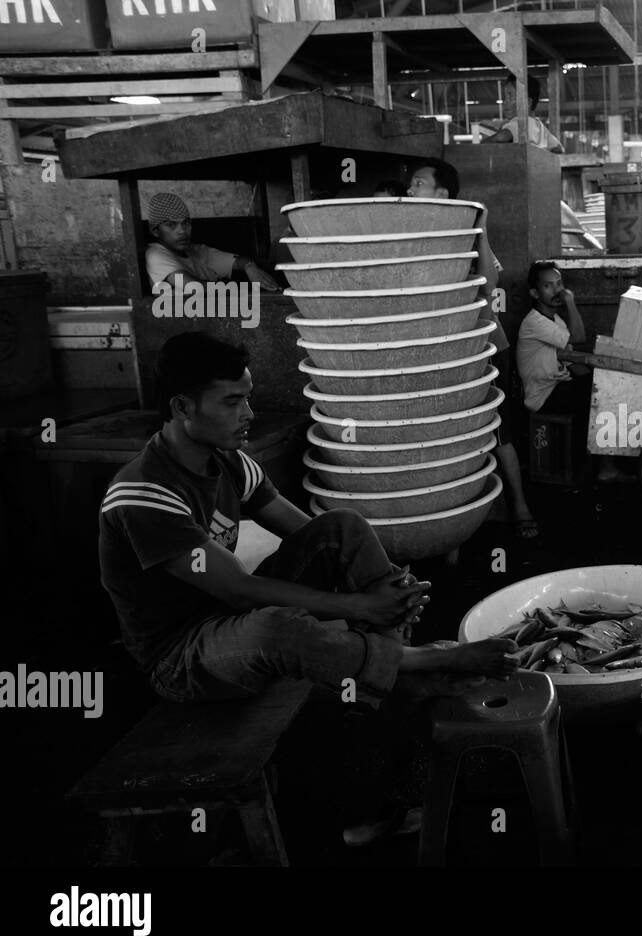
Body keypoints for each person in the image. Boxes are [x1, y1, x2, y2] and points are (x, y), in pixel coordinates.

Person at [99, 332, 519, 704]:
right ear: (182, 406)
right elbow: (241, 590)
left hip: (229, 618)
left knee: (344, 524)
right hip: (183, 656)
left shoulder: (229, 463)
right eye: (232, 401)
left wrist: (390, 587)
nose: (248, 413)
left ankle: (397, 666)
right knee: (274, 628)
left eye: (247, 397)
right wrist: (359, 604)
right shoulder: (144, 493)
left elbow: (316, 535)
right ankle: (419, 663)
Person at [407, 158, 541, 539]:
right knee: (450, 432)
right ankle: (459, 519)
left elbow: (489, 283)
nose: (410, 191)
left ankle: (519, 506)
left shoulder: (463, 232)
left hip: (482, 346)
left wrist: (480, 229)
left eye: (418, 184)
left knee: (498, 429)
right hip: (439, 351)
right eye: (411, 185)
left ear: (442, 195)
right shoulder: (408, 237)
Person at [516, 261, 621, 482]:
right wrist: (571, 302)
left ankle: (601, 463)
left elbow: (567, 356)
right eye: (548, 286)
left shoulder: (555, 320)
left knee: (603, 388)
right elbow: (579, 337)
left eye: (559, 283)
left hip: (558, 387)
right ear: (535, 292)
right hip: (543, 396)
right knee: (600, 393)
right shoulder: (535, 322)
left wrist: (598, 375)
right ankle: (605, 467)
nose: (558, 290)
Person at [144, 192, 281, 293]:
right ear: (156, 231)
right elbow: (193, 286)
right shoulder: (155, 255)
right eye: (170, 225)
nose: (182, 231)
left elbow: (237, 261)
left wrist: (251, 268)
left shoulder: (195, 251)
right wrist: (240, 292)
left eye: (185, 223)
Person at [485, 74, 563, 153]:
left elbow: (500, 137)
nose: (505, 102)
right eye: (505, 97)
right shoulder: (540, 127)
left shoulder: (520, 122)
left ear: (527, 102)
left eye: (510, 96)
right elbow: (559, 148)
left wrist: (485, 142)